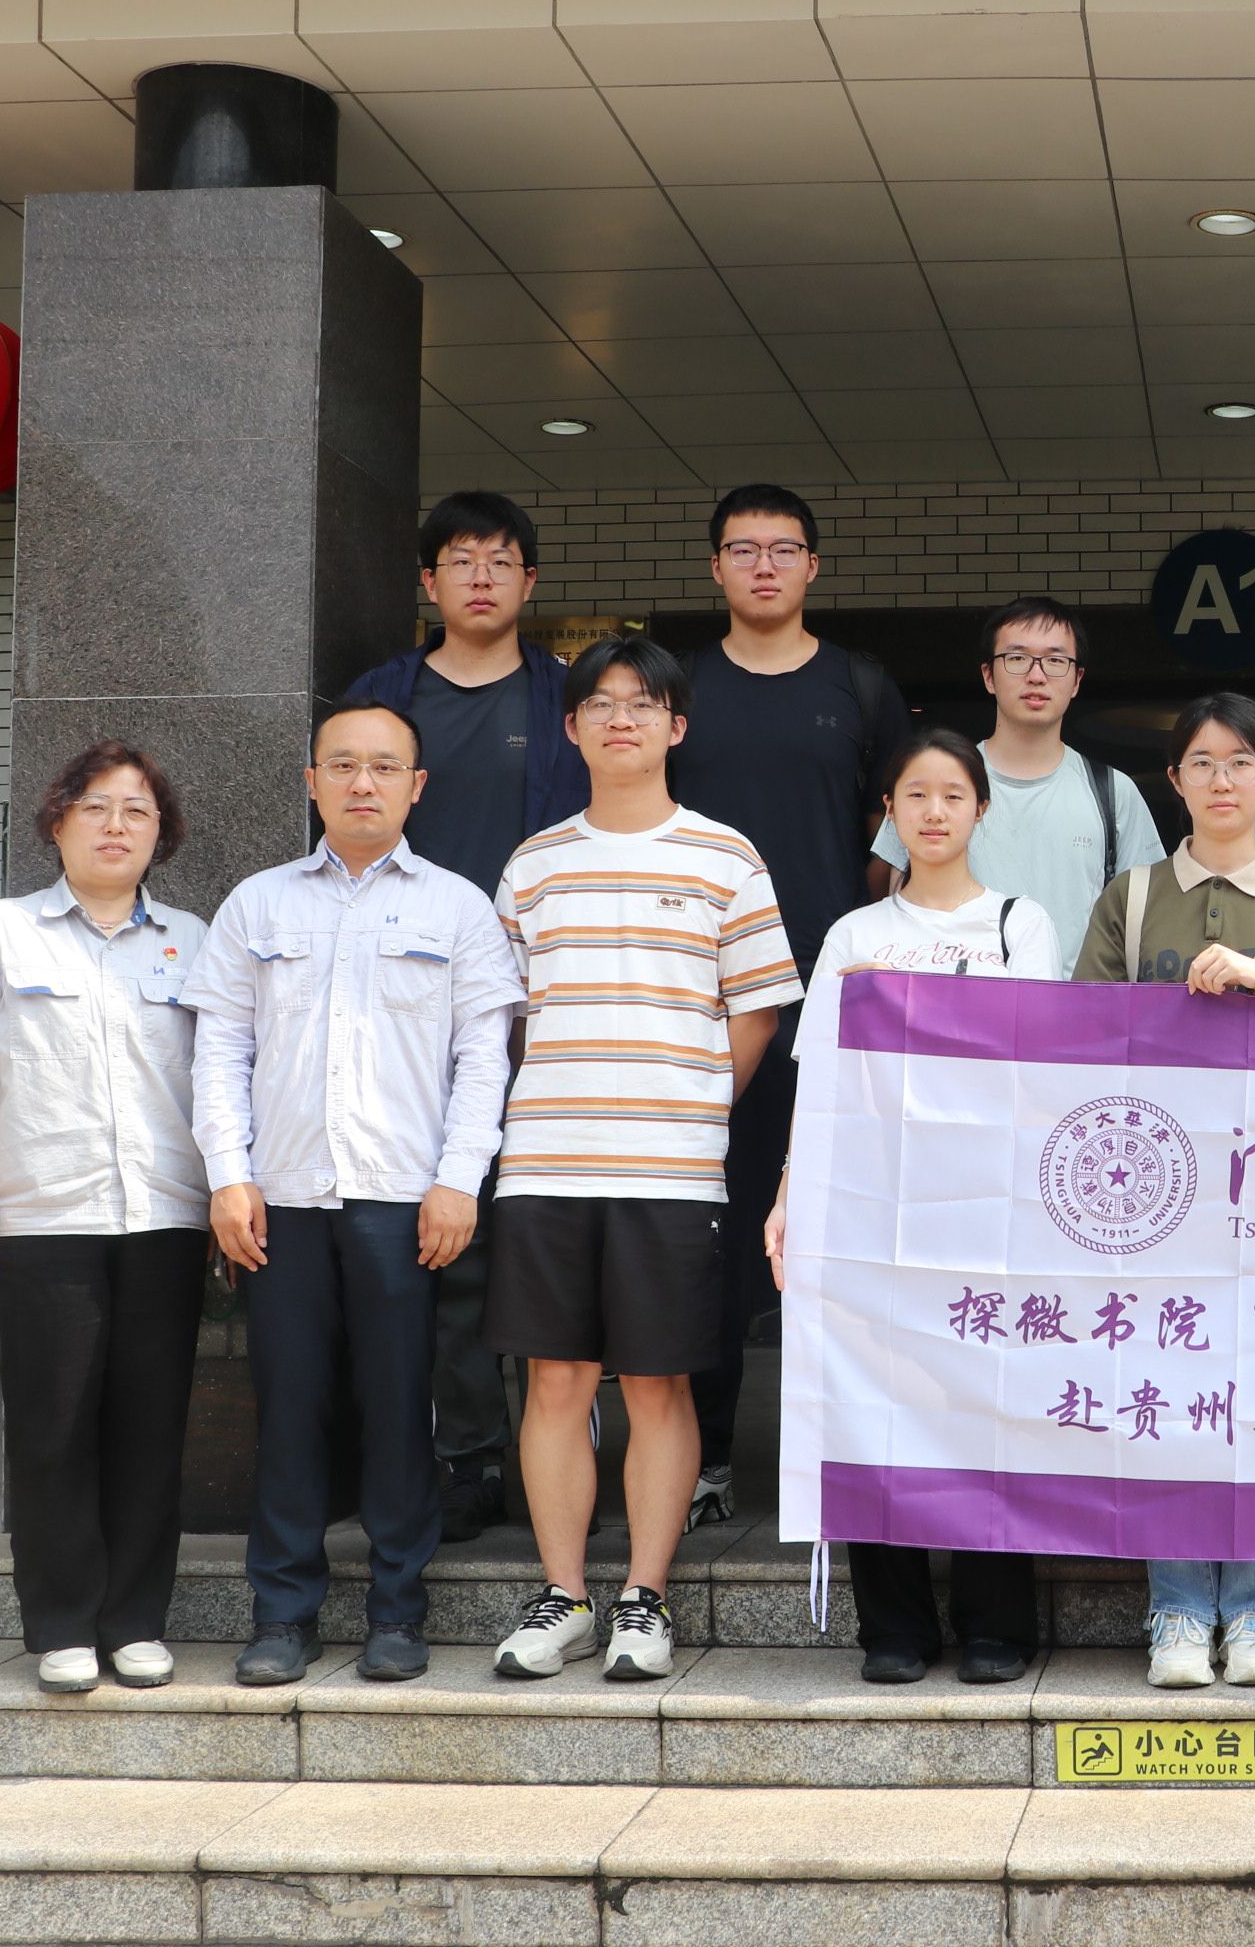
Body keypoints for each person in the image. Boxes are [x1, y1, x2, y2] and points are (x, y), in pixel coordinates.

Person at [185, 700, 525, 1686]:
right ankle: (282, 1614)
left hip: (403, 1199)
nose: (362, 782)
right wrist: (228, 1175)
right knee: (288, 1407)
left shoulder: (456, 907)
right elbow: (220, 1051)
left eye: (383, 766)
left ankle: (397, 1610)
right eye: (342, 765)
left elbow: (483, 1058)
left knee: (399, 1407)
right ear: (312, 782)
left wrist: (459, 1180)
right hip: (282, 1197)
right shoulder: (258, 905)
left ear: (417, 786)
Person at [487, 636, 800, 1681]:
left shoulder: (727, 857)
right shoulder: (532, 865)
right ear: (570, 728)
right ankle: (564, 1595)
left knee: (661, 1384)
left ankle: (644, 1598)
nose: (621, 718)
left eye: (643, 702)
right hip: (546, 1163)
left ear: (677, 725)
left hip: (672, 1169)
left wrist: (694, 1107)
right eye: (601, 703)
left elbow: (756, 1014)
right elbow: (507, 1020)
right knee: (556, 1381)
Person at [1075, 691, 1255, 1686]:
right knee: (1166, 1398)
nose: (1221, 780)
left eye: (1241, 762)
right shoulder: (1130, 896)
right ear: (1174, 779)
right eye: (1201, 763)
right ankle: (1174, 1608)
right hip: (1156, 1195)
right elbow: (1081, 1039)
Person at [769, 729, 1062, 1684]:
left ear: (982, 809)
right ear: (888, 813)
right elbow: (820, 1079)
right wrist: (788, 1193)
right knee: (873, 1398)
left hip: (990, 1197)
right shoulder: (856, 935)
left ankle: (996, 1623)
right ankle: (893, 1625)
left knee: (986, 1402)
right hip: (870, 1197)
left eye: (953, 794)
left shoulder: (1021, 924)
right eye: (915, 795)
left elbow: (1044, 1063)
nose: (934, 812)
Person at [0, 743, 209, 1694]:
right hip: (41, 1220)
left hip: (166, 1218)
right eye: (96, 807)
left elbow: (225, 1076)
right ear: (57, 822)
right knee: (52, 1428)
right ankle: (61, 1624)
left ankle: (135, 1622)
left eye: (137, 811)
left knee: (150, 1428)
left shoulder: (193, 940)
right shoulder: (1, 932)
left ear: (160, 833)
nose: (116, 825)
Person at [346, 489, 590, 1545]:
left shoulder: (571, 698)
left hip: (547, 992)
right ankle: (465, 1453)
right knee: (440, 1235)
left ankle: (552, 1457)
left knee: (537, 1231)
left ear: (530, 582)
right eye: (460, 558)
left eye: (500, 560)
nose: (481, 576)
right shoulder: (381, 700)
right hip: (406, 1000)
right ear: (428, 581)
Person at [667, 483, 911, 1533]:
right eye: (743, 549)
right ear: (716, 567)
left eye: (783, 549)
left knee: (844, 1225)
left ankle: (854, 1450)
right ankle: (708, 1455)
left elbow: (893, 840)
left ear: (813, 565)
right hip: (700, 996)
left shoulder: (860, 686)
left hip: (833, 997)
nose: (763, 566)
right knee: (712, 1229)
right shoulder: (677, 685)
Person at [870, 595, 1163, 974]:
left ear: (1077, 680)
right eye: (1017, 658)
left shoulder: (1113, 791)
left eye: (1055, 660)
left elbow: (1147, 916)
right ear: (988, 676)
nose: (1036, 675)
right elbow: (894, 893)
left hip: (1076, 1005)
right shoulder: (937, 784)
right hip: (956, 1002)